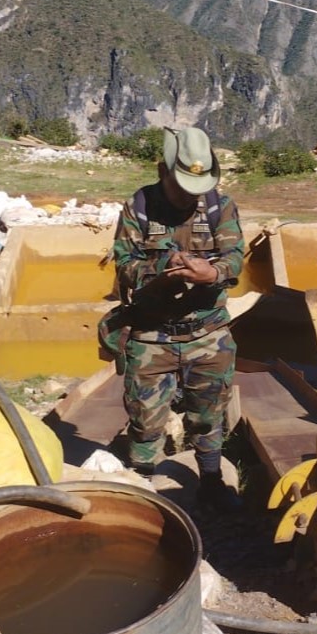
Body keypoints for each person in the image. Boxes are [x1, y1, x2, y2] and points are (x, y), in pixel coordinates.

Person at [110, 126, 245, 510]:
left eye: (197, 186)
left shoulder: (221, 207)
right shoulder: (138, 207)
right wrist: (160, 266)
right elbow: (124, 265)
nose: (190, 195)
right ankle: (145, 492)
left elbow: (235, 256)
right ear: (161, 172)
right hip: (152, 335)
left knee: (209, 414)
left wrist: (213, 273)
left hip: (208, 333)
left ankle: (212, 483)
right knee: (145, 418)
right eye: (181, 186)